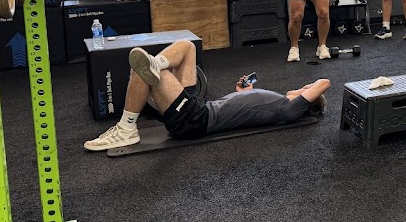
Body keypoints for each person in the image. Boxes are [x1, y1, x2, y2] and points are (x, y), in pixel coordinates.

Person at [83, 40, 331, 151]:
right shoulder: (278, 104)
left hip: (195, 120)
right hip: (199, 107)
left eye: (306, 89)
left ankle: (126, 128)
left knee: (144, 66)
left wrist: (309, 91)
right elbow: (246, 109)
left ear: (306, 102)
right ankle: (156, 70)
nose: (303, 86)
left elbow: (325, 82)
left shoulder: (288, 111)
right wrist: (244, 92)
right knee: (187, 47)